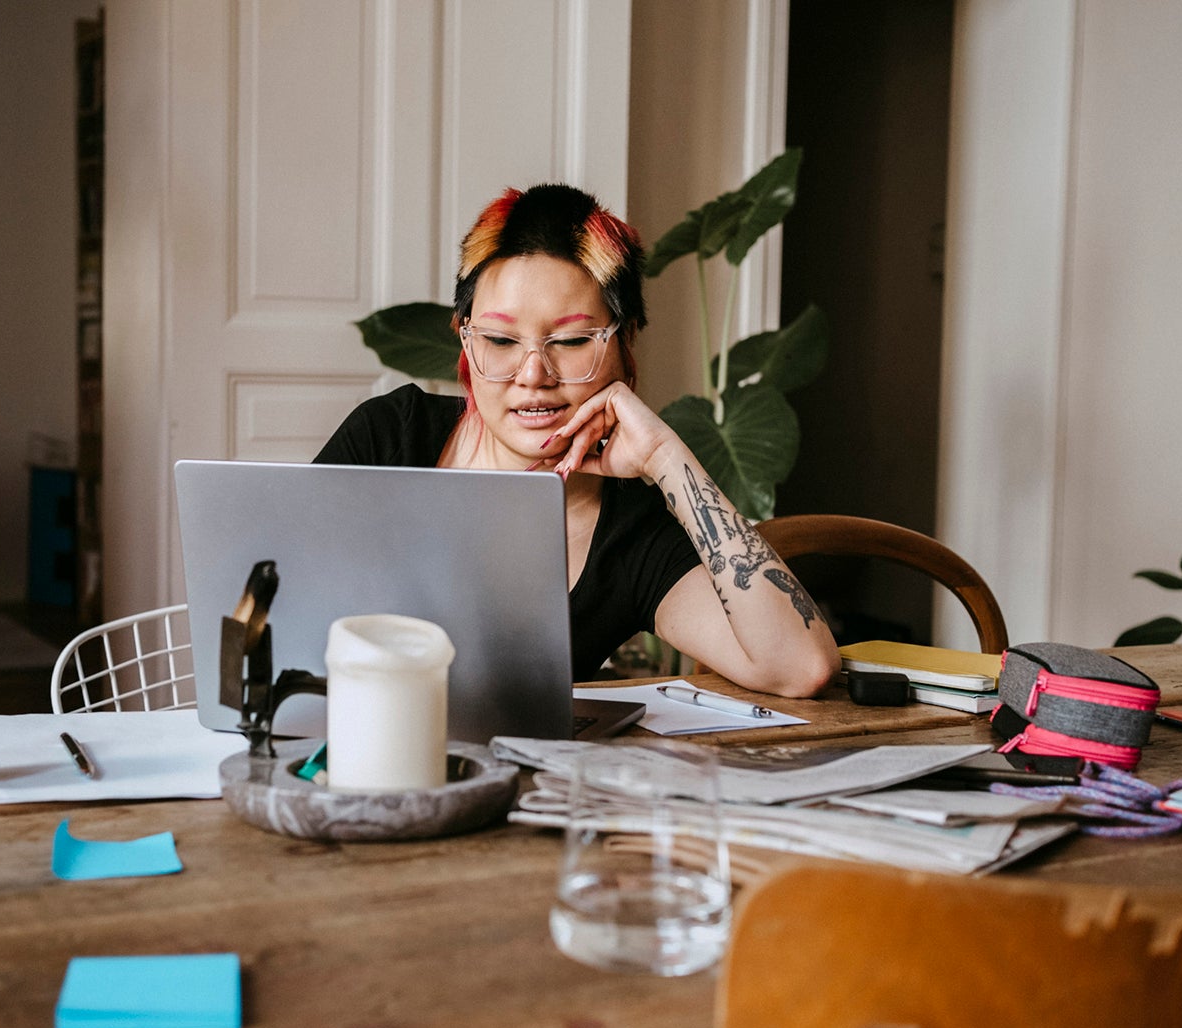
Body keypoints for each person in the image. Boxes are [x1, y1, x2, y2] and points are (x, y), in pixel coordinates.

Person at [316, 183, 838, 696]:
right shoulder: (389, 438)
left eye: (569, 341)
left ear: (624, 341)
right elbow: (266, 612)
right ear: (465, 338)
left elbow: (799, 666)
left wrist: (666, 457)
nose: (533, 374)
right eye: (499, 340)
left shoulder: (633, 529)